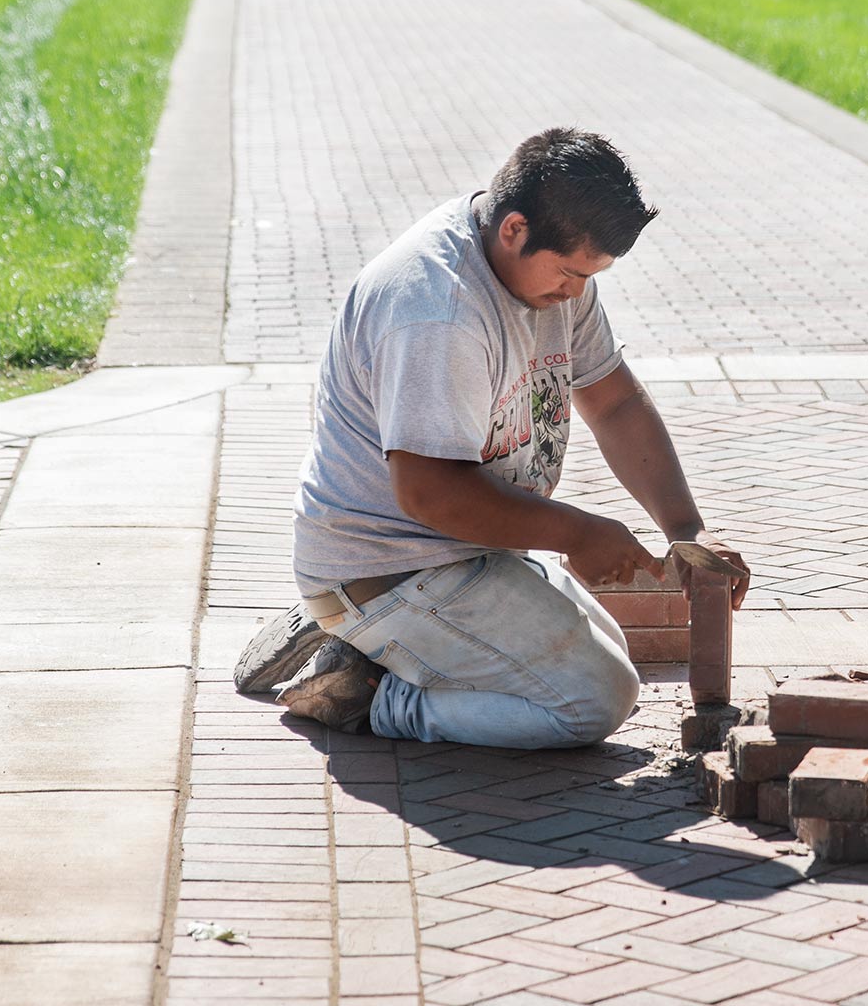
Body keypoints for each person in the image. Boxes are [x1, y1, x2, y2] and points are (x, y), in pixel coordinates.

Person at [292, 129, 751, 750]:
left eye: (592, 275)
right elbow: (428, 493)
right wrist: (577, 533)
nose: (577, 293)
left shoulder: (553, 278)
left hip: (467, 552)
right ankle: (372, 691)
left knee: (606, 655)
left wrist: (687, 532)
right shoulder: (437, 308)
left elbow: (613, 402)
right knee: (592, 700)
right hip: (391, 566)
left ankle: (378, 646)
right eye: (568, 272)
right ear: (513, 229)